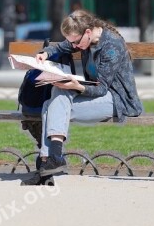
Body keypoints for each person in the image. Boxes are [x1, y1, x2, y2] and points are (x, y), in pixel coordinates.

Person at [25, 10, 144, 185]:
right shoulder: (83, 39)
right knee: (54, 98)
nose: (74, 45)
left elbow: (102, 89)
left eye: (76, 41)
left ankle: (47, 164)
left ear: (87, 32)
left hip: (118, 100)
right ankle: (52, 160)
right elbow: (59, 47)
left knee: (51, 106)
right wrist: (45, 53)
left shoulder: (112, 46)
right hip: (97, 93)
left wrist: (77, 86)